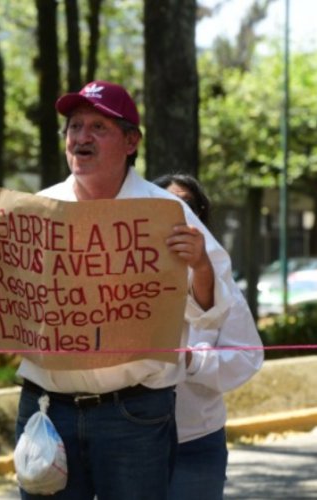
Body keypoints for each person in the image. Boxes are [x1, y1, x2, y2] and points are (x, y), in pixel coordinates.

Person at [0, 80, 239, 500]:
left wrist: (200, 263)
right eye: (74, 127)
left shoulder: (167, 214)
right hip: (46, 411)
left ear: (131, 141)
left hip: (134, 415)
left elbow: (212, 311)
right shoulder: (32, 211)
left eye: (98, 127)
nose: (81, 137)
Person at [153, 173, 263, 500]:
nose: (178, 215)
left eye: (186, 206)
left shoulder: (219, 284)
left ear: (201, 217)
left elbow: (247, 358)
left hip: (196, 443)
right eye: (164, 206)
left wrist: (192, 361)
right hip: (129, 442)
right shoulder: (123, 279)